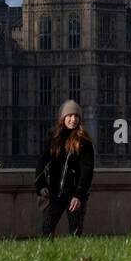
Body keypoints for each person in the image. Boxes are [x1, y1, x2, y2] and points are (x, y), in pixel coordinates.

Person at [35, 99, 96, 236]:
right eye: (69, 116)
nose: (73, 119)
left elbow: (87, 171)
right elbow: (43, 162)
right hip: (54, 193)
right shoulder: (54, 138)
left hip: (74, 195)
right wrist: (41, 184)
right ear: (62, 118)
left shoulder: (84, 142)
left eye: (76, 116)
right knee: (47, 230)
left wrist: (79, 195)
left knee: (75, 233)